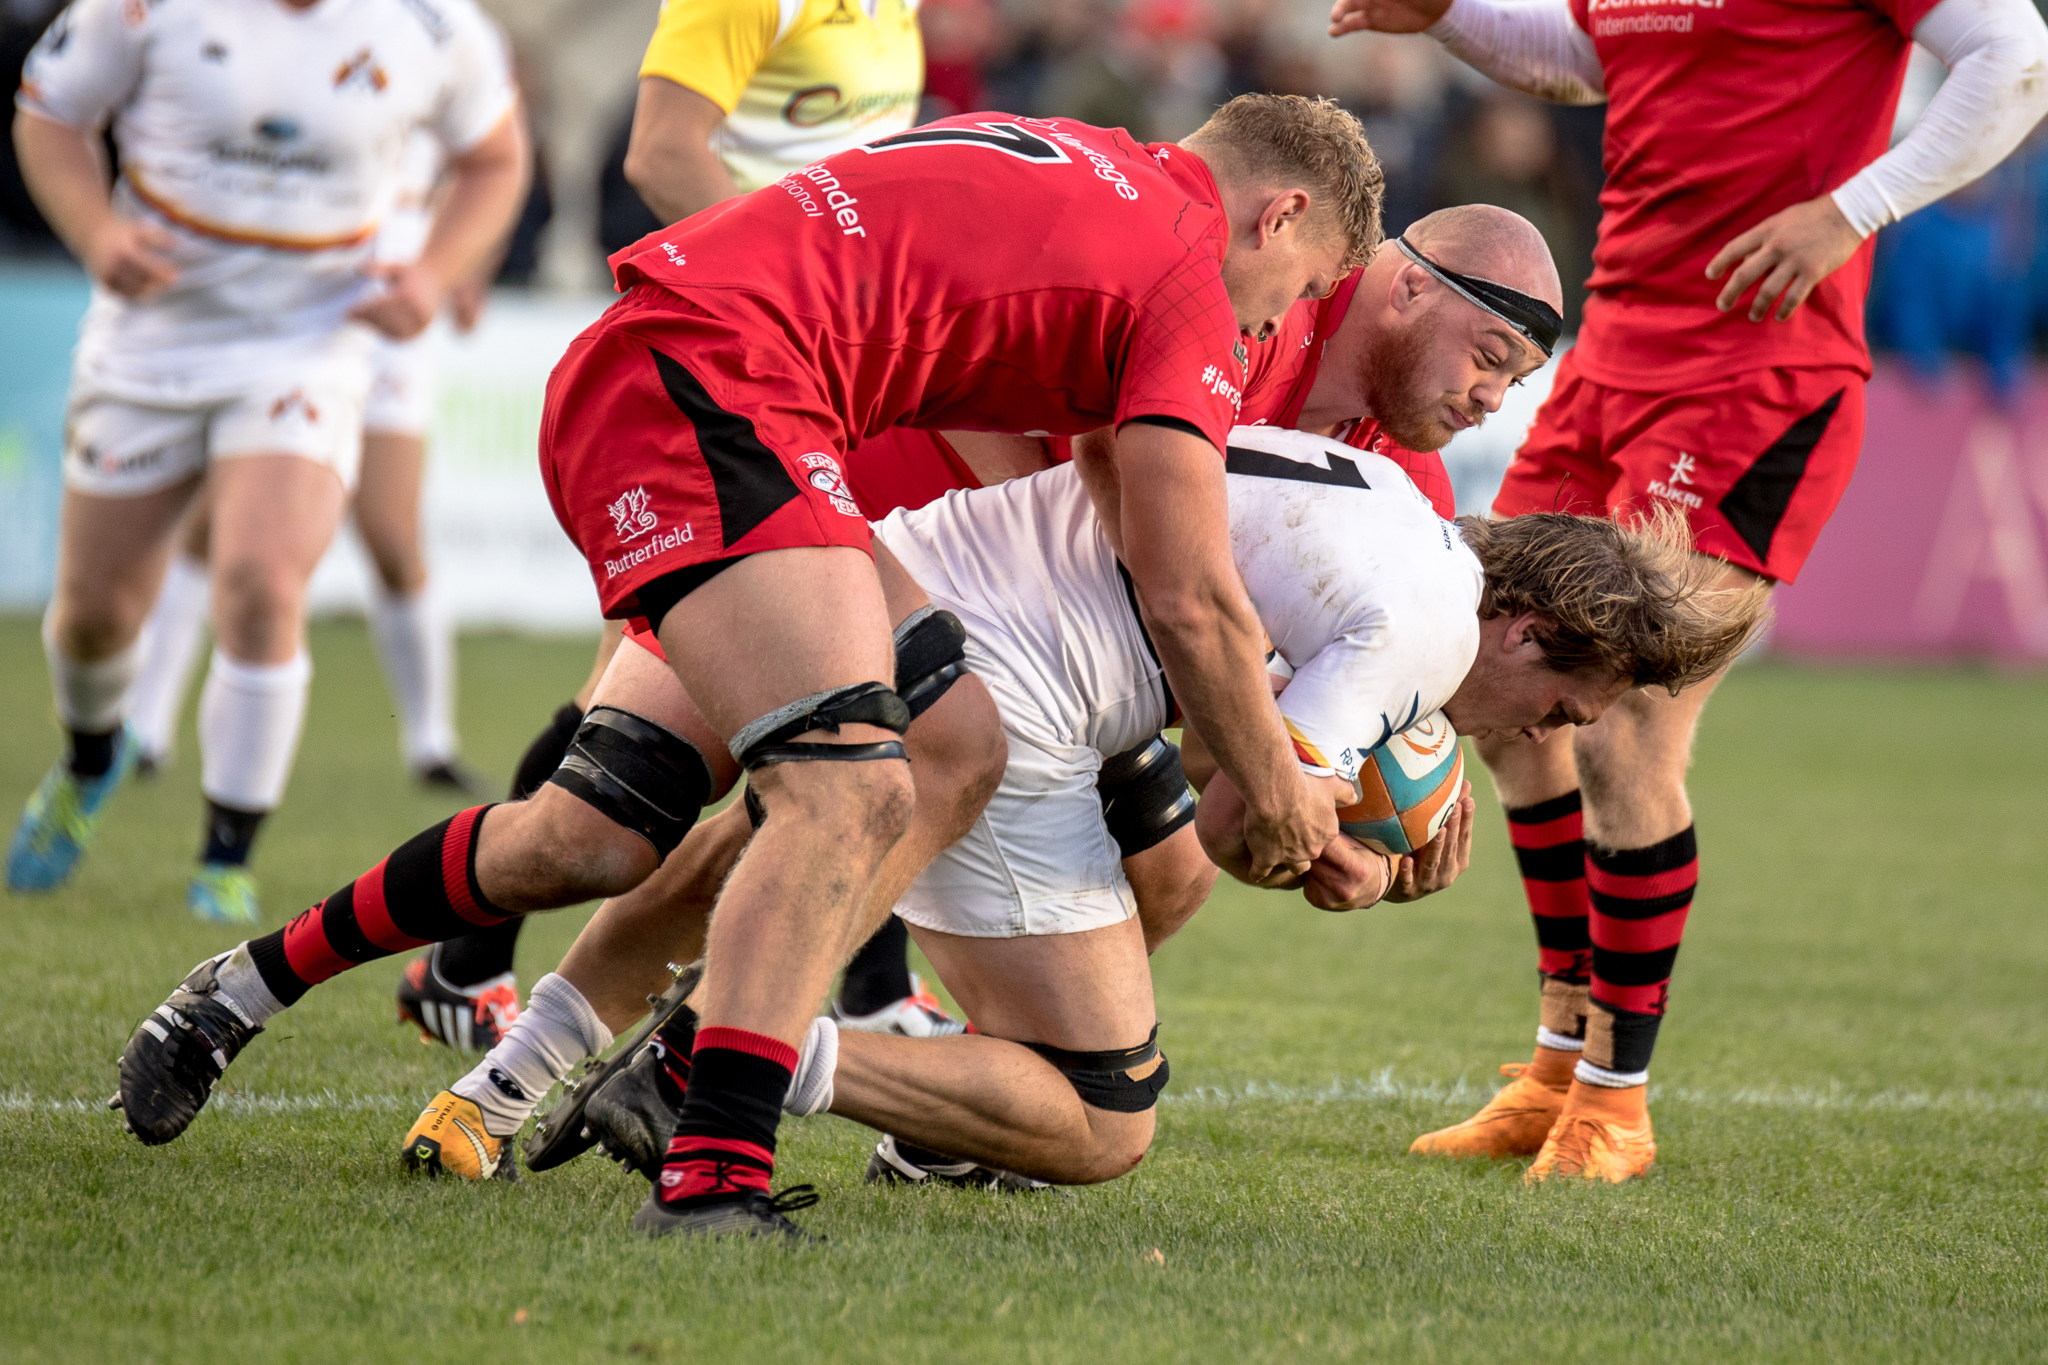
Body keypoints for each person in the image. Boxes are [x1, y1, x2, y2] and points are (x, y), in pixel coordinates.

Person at [113, 96, 1384, 1244]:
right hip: (715, 394)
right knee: (850, 792)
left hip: (724, 390)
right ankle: (712, 1168)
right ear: (1277, 213)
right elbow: (1186, 591)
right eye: (1296, 284)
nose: (1276, 320)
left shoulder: (1098, 163)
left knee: (627, 831)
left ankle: (236, 990)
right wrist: (1280, 784)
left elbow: (1117, 491)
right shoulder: (1184, 277)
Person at [389, 200, 1588, 1184]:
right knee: (649, 837)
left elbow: (1291, 695)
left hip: (1068, 652)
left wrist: (1372, 803)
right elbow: (1038, 435)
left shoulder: (1405, 471)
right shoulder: (1247, 294)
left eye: (1518, 381)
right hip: (876, 536)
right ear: (1404, 284)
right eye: (1490, 360)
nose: (1494, 401)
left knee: (1160, 878)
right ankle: (512, 1076)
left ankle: (915, 1126)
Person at [1328, 0, 2048, 1180]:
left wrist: (1851, 211)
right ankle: (1556, 1068)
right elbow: (1582, 64)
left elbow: (2013, 53)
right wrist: (1448, 15)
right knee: (1514, 706)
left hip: (1757, 378)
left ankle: (1615, 1102)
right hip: (1610, 363)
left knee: (1622, 735)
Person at [445, 0, 933, 1049]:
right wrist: (785, 300)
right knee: (702, 683)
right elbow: (663, 153)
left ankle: (462, 961)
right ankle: (465, 958)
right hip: (738, 365)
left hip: (821, 374)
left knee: (760, 673)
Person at [6, 0, 528, 924]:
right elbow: (49, 113)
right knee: (93, 616)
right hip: (151, 339)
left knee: (260, 578)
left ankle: (225, 860)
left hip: (310, 343)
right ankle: (92, 760)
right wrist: (96, 234)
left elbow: (496, 157)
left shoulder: (434, 25)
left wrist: (435, 273)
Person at [122, 130, 492, 800]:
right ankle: (143, 729)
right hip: (297, 311)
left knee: (392, 536)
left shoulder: (443, 40)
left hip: (395, 314)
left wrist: (460, 268)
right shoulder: (298, 35)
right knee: (214, 523)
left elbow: (486, 166)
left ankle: (431, 742)